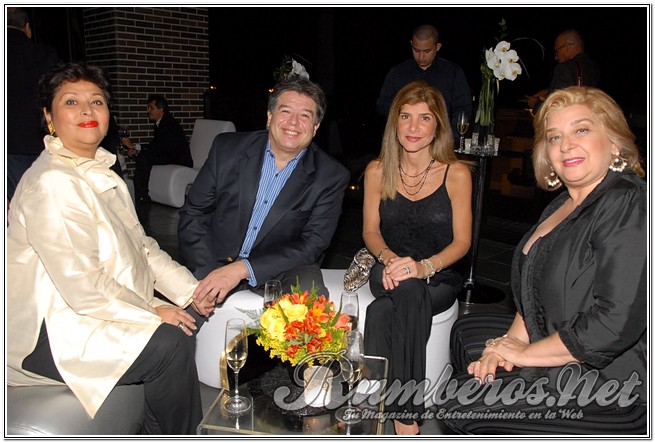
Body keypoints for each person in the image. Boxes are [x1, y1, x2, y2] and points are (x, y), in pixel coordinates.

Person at [7, 63, 216, 435]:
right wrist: (153, 311)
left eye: (97, 101)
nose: (87, 110)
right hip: (51, 329)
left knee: (191, 314)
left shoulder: (100, 172)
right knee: (169, 342)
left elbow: (143, 247)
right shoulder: (53, 182)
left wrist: (193, 292)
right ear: (49, 117)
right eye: (71, 102)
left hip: (91, 309)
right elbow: (83, 287)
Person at [443, 86, 646, 435]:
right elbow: (532, 291)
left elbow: (614, 324)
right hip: (555, 340)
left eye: (581, 129)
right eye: (554, 137)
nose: (566, 145)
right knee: (465, 331)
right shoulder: (562, 204)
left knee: (457, 402)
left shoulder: (627, 202)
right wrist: (505, 346)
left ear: (614, 143)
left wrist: (524, 354)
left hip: (612, 381)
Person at [178, 76, 350, 306]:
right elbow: (194, 214)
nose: (293, 122)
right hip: (214, 261)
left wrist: (242, 269)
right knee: (180, 323)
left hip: (279, 270)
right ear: (269, 117)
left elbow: (313, 244)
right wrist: (208, 273)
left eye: (305, 116)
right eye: (285, 111)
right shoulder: (227, 149)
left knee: (309, 307)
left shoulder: (330, 176)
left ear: (316, 127)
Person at [363, 81, 473, 435]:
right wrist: (391, 260)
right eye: (406, 116)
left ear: (438, 126)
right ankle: (407, 416)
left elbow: (462, 242)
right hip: (387, 267)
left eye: (424, 118)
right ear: (394, 123)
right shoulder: (377, 170)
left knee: (381, 311)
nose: (413, 127)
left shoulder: (456, 173)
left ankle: (379, 400)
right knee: (406, 288)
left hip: (439, 274)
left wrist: (423, 267)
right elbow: (370, 232)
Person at [376, 24, 472, 140]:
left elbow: (462, 109)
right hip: (405, 139)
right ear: (411, 44)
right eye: (416, 50)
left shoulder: (453, 73)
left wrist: (448, 137)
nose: (421, 57)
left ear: (437, 47)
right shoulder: (397, 72)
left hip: (441, 140)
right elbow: (382, 105)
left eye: (427, 51)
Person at [7, 6, 59, 202]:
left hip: (8, 144)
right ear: (27, 28)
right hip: (41, 139)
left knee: (13, 205)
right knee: (43, 200)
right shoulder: (46, 54)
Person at [121, 95, 192, 204]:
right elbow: (156, 145)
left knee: (144, 157)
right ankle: (140, 194)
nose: (148, 111)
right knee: (142, 156)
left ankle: (141, 195)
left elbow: (160, 147)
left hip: (179, 158)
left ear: (161, 109)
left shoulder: (168, 124)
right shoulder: (161, 123)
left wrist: (135, 146)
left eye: (151, 108)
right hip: (169, 154)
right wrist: (137, 149)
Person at [527, 29, 600, 111]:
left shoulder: (564, 69)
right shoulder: (594, 67)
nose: (556, 57)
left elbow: (555, 108)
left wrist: (536, 104)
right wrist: (547, 92)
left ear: (567, 47)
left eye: (556, 51)